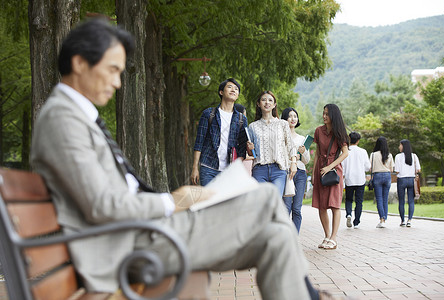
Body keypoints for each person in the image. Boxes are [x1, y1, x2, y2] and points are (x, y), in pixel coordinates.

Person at [29, 18, 322, 299]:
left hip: (139, 234)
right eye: (112, 70)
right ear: (80, 63)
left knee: (275, 238)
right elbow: (102, 206)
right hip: (127, 246)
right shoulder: (63, 119)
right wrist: (177, 201)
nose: (118, 82)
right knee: (266, 199)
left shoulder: (76, 116)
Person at [190, 78, 248, 186]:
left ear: (237, 96)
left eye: (236, 89)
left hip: (229, 170)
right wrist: (195, 168)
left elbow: (242, 147)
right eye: (229, 87)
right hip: (208, 167)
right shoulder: (208, 114)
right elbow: (199, 142)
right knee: (209, 201)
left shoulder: (241, 119)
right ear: (221, 92)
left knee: (225, 202)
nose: (233, 90)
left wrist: (235, 166)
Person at [246, 91, 297, 197]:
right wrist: (250, 149)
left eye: (270, 100)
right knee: (261, 204)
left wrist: (293, 163)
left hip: (278, 170)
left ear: (274, 105)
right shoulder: (253, 126)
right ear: (258, 104)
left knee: (274, 203)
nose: (267, 102)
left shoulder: (282, 124)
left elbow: (291, 146)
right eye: (263, 100)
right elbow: (252, 154)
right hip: (259, 170)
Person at [312, 104, 349, 250]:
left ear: (333, 115)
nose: (324, 116)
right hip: (320, 170)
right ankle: (327, 236)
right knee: (321, 206)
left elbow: (345, 153)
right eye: (323, 113)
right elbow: (316, 153)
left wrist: (330, 166)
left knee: (334, 205)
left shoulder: (339, 132)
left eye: (327, 114)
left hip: (333, 171)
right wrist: (314, 173)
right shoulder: (318, 131)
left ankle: (334, 238)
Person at [280, 107, 310, 233]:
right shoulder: (280, 137)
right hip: (287, 173)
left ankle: (294, 237)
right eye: (290, 116)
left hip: (301, 173)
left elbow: (307, 161)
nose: (293, 119)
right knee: (286, 208)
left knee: (297, 208)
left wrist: (303, 154)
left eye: (295, 116)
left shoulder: (302, 138)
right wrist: (291, 157)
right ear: (284, 119)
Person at [341, 131, 370, 229]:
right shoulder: (363, 151)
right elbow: (367, 167)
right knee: (359, 201)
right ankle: (356, 222)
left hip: (349, 179)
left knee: (348, 199)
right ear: (358, 141)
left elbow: (342, 167)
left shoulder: (345, 151)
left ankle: (348, 214)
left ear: (349, 140)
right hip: (360, 179)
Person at [394, 139, 421, 227]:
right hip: (411, 180)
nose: (399, 147)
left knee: (401, 201)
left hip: (401, 180)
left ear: (403, 146)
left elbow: (397, 171)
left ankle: (402, 221)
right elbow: (418, 170)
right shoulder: (414, 156)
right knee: (411, 201)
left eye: (400, 145)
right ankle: (409, 220)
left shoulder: (398, 157)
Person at [369, 136, 394, 228]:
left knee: (379, 198)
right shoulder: (389, 155)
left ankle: (382, 220)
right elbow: (391, 169)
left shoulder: (373, 155)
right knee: (385, 199)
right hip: (387, 176)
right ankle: (384, 219)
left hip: (377, 176)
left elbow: (370, 168)